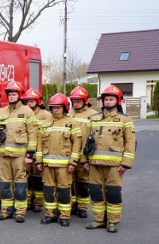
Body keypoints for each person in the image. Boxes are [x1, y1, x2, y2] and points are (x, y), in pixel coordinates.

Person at [85, 85, 136, 233]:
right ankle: (98, 220)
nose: (107, 102)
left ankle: (112, 222)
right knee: (96, 193)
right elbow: (87, 143)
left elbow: (130, 142)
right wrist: (85, 161)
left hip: (115, 166)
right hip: (94, 164)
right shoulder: (93, 119)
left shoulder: (125, 119)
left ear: (118, 101)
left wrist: (126, 164)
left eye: (111, 99)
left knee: (113, 193)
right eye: (105, 99)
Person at [36, 93, 81, 227]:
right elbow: (39, 144)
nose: (55, 110)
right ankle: (50, 214)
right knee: (48, 191)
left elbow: (77, 145)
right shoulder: (45, 124)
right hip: (48, 165)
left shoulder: (72, 123)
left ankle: (64, 216)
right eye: (53, 107)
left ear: (65, 108)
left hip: (64, 166)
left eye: (58, 107)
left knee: (64, 191)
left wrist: (73, 162)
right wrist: (39, 161)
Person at [0, 81, 37, 223]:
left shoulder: (27, 112)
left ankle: (20, 212)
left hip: (20, 156)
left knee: (20, 185)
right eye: (9, 94)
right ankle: (6, 210)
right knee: (4, 184)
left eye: (14, 94)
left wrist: (30, 155)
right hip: (4, 156)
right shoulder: (1, 112)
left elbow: (32, 134)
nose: (11, 97)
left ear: (19, 95)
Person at [68, 86, 98, 218]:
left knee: (83, 184)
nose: (76, 103)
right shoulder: (69, 114)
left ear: (85, 100)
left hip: (84, 156)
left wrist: (90, 157)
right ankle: (72, 205)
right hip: (70, 156)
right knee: (70, 182)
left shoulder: (93, 115)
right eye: (74, 100)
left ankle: (82, 207)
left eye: (78, 100)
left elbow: (95, 138)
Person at [22, 88, 52, 213]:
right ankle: (28, 201)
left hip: (40, 150)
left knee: (38, 178)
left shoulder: (47, 115)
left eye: (32, 101)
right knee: (27, 178)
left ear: (38, 101)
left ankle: (38, 203)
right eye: (27, 101)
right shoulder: (23, 113)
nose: (29, 103)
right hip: (26, 150)